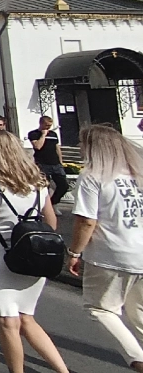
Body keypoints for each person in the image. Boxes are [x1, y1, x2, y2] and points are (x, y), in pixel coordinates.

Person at [0, 130, 68, 373]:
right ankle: (63, 370)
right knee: (27, 317)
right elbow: (51, 222)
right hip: (34, 253)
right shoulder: (38, 182)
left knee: (7, 321)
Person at [67, 124, 143, 371]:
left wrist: (75, 252)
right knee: (138, 311)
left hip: (111, 253)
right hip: (140, 250)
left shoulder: (92, 176)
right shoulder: (136, 176)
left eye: (82, 143)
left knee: (101, 308)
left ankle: (137, 359)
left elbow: (87, 221)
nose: (79, 147)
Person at [29, 116, 68, 207]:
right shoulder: (34, 134)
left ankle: (53, 203)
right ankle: (45, 206)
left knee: (63, 185)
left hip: (56, 164)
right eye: (46, 125)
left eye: (50, 126)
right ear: (41, 123)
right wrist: (43, 135)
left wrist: (61, 161)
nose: (48, 128)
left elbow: (57, 148)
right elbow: (38, 146)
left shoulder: (53, 134)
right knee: (45, 186)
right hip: (42, 164)